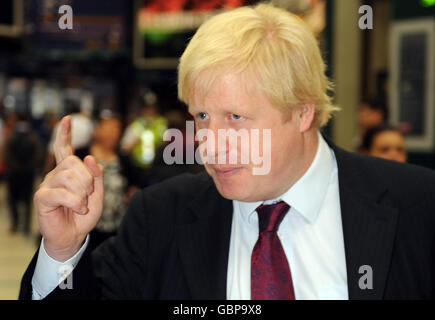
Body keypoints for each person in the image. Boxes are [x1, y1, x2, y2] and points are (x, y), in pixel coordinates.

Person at [20, 4, 435, 300]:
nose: (210, 143)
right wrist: (62, 253)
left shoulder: (417, 205)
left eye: (235, 116)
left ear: (303, 112)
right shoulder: (162, 217)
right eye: (201, 116)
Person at [4, 113, 42, 235]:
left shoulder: (11, 135)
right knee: (27, 199)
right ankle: (26, 227)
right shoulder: (33, 136)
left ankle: (15, 224)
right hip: (28, 173)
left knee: (12, 199)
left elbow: (6, 153)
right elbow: (38, 154)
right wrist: (30, 167)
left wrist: (13, 166)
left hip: (13, 172)